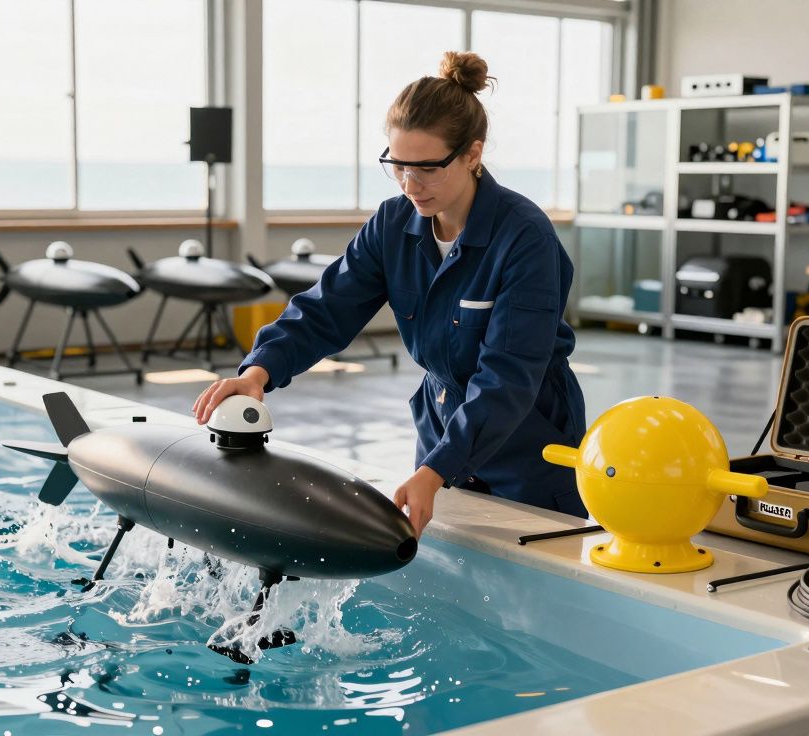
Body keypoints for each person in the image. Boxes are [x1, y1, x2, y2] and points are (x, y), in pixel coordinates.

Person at [193, 51, 586, 535]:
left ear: (472, 154)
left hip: (528, 440)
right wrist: (259, 371)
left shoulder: (525, 239)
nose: (409, 184)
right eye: (397, 165)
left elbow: (508, 377)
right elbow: (326, 308)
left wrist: (435, 471)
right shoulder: (393, 223)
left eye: (426, 168)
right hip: (441, 426)